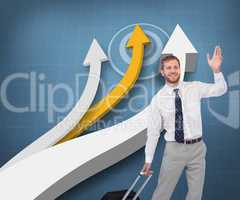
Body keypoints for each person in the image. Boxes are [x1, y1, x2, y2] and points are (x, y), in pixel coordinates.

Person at [141, 46, 228, 200]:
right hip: (174, 150)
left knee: (195, 195)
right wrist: (148, 159)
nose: (173, 70)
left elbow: (220, 89)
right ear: (162, 72)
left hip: (198, 148)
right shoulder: (158, 99)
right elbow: (153, 132)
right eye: (168, 68)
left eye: (175, 67)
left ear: (180, 70)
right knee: (162, 194)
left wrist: (216, 70)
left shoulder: (194, 87)